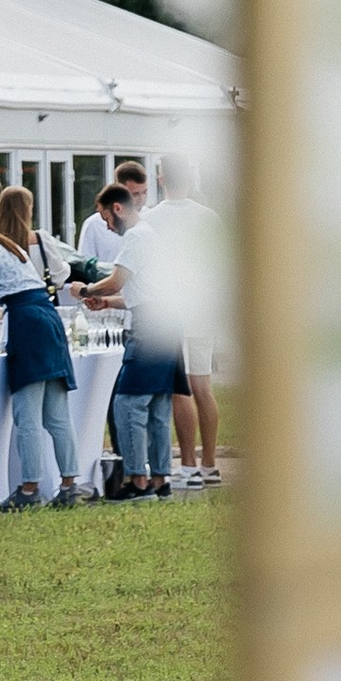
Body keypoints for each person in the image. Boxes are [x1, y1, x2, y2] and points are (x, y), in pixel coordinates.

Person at [0, 182, 81, 509]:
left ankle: (29, 489)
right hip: (47, 317)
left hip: (26, 322)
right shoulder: (7, 245)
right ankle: (69, 484)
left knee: (27, 414)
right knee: (57, 414)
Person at [119, 150, 224, 495]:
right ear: (191, 179)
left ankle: (189, 465)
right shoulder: (209, 217)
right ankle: (209, 463)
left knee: (180, 389)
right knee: (203, 386)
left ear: (161, 179)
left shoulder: (150, 219)